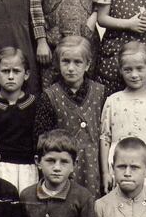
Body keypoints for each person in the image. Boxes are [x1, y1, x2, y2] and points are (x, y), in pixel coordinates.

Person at [35, 35, 107, 198]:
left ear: (87, 64)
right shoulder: (50, 96)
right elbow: (41, 140)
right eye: (66, 61)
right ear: (58, 63)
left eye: (77, 62)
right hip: (61, 169)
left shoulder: (100, 93)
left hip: (93, 169)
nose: (71, 68)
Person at [99, 42, 146, 195]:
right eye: (128, 69)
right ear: (120, 70)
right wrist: (106, 172)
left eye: (139, 68)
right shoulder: (113, 101)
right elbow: (105, 138)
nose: (134, 75)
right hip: (119, 164)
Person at [0, 47, 39, 192]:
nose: (11, 76)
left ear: (27, 74)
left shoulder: (35, 104)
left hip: (28, 168)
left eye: (16, 71)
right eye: (5, 71)